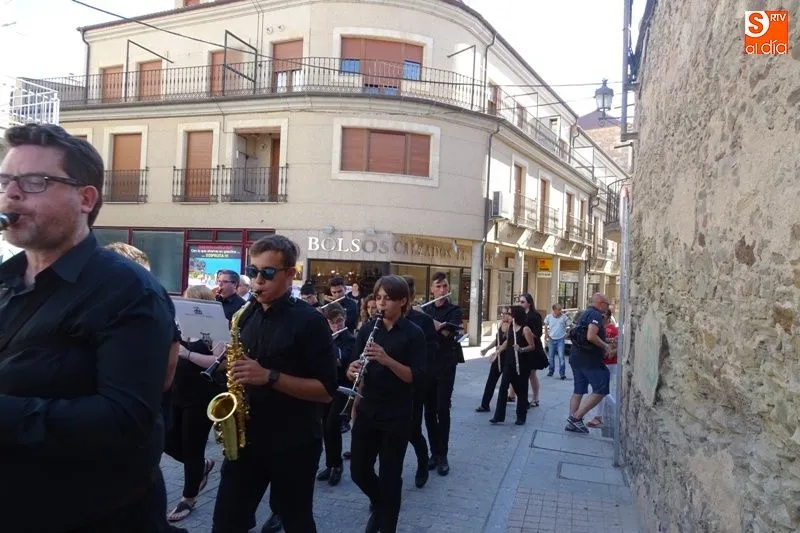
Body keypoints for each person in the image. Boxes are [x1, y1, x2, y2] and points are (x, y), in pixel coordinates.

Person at [0, 123, 176, 532]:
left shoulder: (129, 290)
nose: (11, 194)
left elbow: (124, 420)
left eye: (34, 181)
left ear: (85, 198)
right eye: (6, 180)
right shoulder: (7, 280)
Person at [211, 234, 338, 533]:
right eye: (253, 272)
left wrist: (269, 376)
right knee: (226, 523)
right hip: (246, 440)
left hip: (293, 444)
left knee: (296, 522)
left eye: (267, 273)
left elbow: (326, 391)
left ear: (290, 274)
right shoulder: (245, 315)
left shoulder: (310, 322)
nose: (258, 281)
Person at [347, 275, 426, 533]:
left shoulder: (414, 333)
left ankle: (386, 524)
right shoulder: (368, 329)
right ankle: (381, 506)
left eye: (388, 299)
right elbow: (355, 366)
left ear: (403, 301)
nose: (381, 303)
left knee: (391, 476)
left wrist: (386, 359)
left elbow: (415, 377)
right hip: (368, 408)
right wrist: (352, 370)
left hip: (397, 413)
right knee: (358, 470)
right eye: (379, 298)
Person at [165, 285, 226, 523]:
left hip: (201, 395)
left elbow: (219, 362)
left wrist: (187, 354)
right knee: (167, 439)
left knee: (193, 447)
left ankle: (188, 497)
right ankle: (201, 467)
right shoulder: (179, 326)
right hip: (177, 391)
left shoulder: (216, 330)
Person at [423, 271, 463, 476]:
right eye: (438, 287)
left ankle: (443, 454)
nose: (441, 290)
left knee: (442, 409)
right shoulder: (426, 309)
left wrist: (424, 319)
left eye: (444, 286)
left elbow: (447, 332)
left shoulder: (454, 310)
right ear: (432, 289)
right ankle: (434, 453)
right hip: (427, 365)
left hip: (446, 365)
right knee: (429, 411)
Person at [401, 275, 438, 489]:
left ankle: (423, 462)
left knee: (412, 429)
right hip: (389, 387)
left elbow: (430, 355)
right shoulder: (383, 320)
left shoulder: (422, 321)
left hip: (414, 385)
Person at [316, 302, 356, 487]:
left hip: (342, 388)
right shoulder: (324, 338)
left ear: (345, 319)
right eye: (332, 323)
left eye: (339, 321)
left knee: (332, 425)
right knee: (325, 427)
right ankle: (330, 464)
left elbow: (340, 361)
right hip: (325, 387)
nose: (336, 325)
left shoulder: (350, 339)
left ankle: (337, 466)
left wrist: (325, 345)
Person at [565, 293, 614, 434]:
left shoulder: (584, 314)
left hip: (576, 357)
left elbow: (586, 335)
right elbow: (591, 336)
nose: (608, 307)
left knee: (578, 390)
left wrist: (608, 340)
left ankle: (572, 423)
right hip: (590, 360)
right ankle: (576, 418)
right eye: (607, 304)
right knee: (601, 388)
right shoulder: (596, 315)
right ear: (601, 303)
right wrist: (606, 346)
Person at [489, 306, 536, 425]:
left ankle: (521, 416)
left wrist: (521, 349)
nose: (508, 316)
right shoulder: (511, 327)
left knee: (521, 390)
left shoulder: (525, 329)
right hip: (509, 362)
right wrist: (497, 352)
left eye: (510, 314)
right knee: (503, 387)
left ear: (516, 316)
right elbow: (507, 341)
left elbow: (532, 346)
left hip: (521, 364)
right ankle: (498, 416)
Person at [587, 309, 619, 428]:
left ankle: (616, 409)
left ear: (608, 317)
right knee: (600, 390)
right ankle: (599, 416)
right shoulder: (599, 328)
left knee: (601, 390)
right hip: (603, 362)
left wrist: (610, 351)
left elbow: (617, 345)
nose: (601, 317)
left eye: (603, 316)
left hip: (609, 363)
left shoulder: (612, 329)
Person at [477, 308, 511, 412]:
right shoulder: (501, 324)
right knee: (491, 381)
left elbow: (509, 342)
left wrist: (500, 349)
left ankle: (524, 403)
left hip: (508, 357)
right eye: (502, 313)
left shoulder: (512, 326)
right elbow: (497, 340)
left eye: (506, 313)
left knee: (512, 383)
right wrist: (486, 349)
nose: (503, 315)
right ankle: (484, 405)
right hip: (498, 357)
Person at [517, 293, 546, 407]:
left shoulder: (535, 315)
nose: (520, 304)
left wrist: (527, 334)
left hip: (533, 348)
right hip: (522, 347)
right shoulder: (520, 315)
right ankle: (512, 394)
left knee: (531, 374)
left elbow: (538, 333)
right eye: (519, 301)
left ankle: (535, 398)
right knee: (519, 372)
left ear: (529, 303)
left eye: (522, 302)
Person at [544, 303, 570, 379]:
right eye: (559, 309)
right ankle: (551, 371)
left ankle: (562, 374)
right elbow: (545, 325)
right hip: (551, 339)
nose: (560, 311)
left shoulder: (564, 317)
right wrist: (546, 334)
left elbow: (571, 326)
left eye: (560, 309)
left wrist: (567, 334)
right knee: (551, 357)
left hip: (560, 340)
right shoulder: (549, 317)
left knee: (561, 357)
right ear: (554, 310)